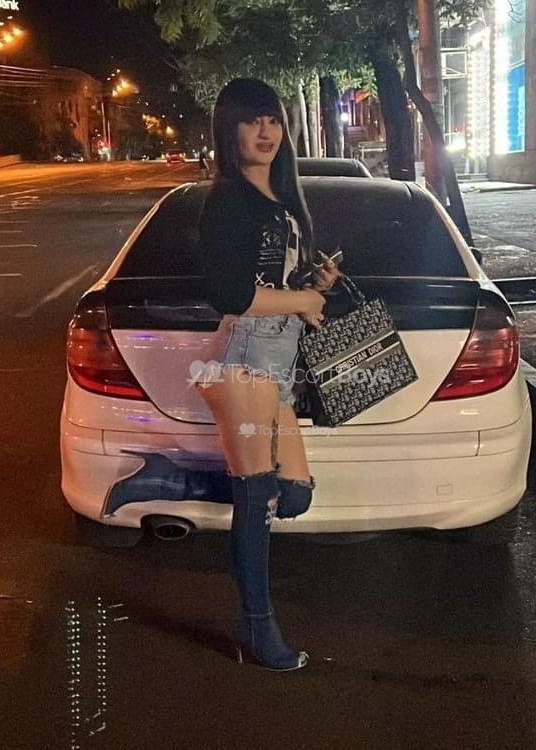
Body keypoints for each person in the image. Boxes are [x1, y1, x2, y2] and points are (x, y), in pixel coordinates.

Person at [195, 78, 340, 672]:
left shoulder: (281, 199)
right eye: (252, 120)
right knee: (256, 498)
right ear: (229, 129)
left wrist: (312, 286)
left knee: (295, 494)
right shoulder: (229, 199)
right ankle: (256, 628)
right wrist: (301, 302)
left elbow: (273, 283)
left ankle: (159, 477)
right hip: (245, 357)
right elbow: (228, 293)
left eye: (273, 119)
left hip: (276, 360)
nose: (266, 131)